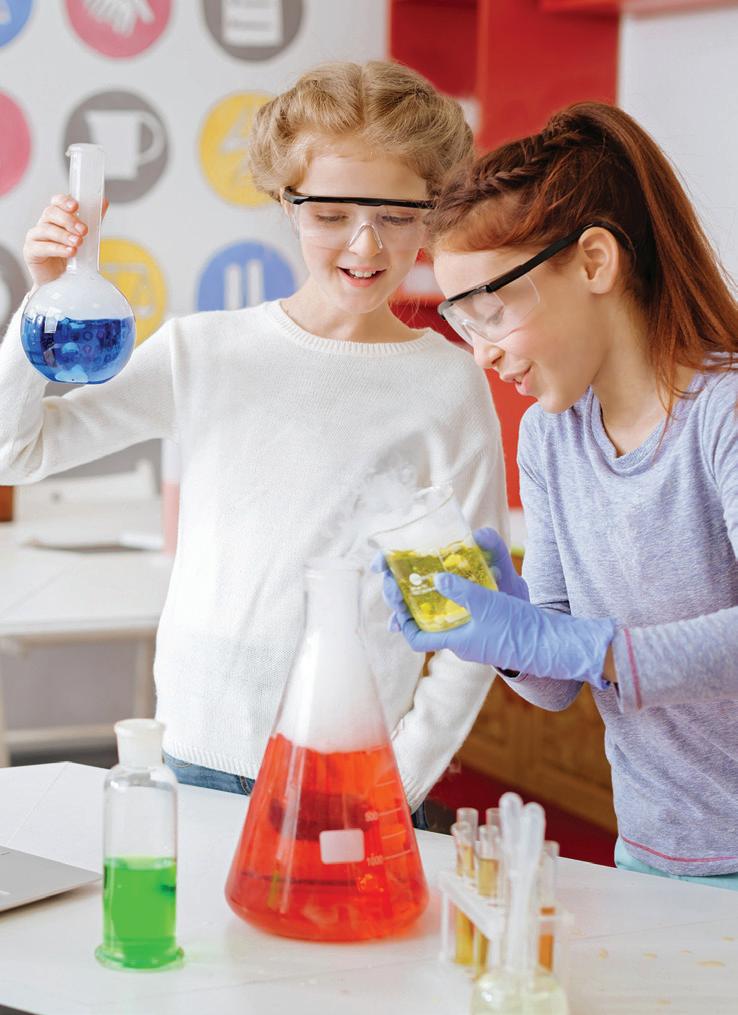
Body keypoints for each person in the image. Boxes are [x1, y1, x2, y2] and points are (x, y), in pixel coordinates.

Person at [0, 61, 509, 825]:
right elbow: (15, 449)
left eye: (397, 215)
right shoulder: (206, 353)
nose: (365, 244)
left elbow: (470, 618)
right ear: (285, 202)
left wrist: (399, 778)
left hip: (349, 770)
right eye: (330, 213)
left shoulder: (444, 387)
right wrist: (44, 301)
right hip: (192, 757)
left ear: (433, 210)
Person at [381, 101, 738, 880]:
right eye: (463, 322)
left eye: (491, 310)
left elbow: (587, 654)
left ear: (595, 263)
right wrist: (500, 629)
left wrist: (574, 643)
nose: (481, 353)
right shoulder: (552, 437)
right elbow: (557, 684)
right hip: (649, 848)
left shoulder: (723, 414)